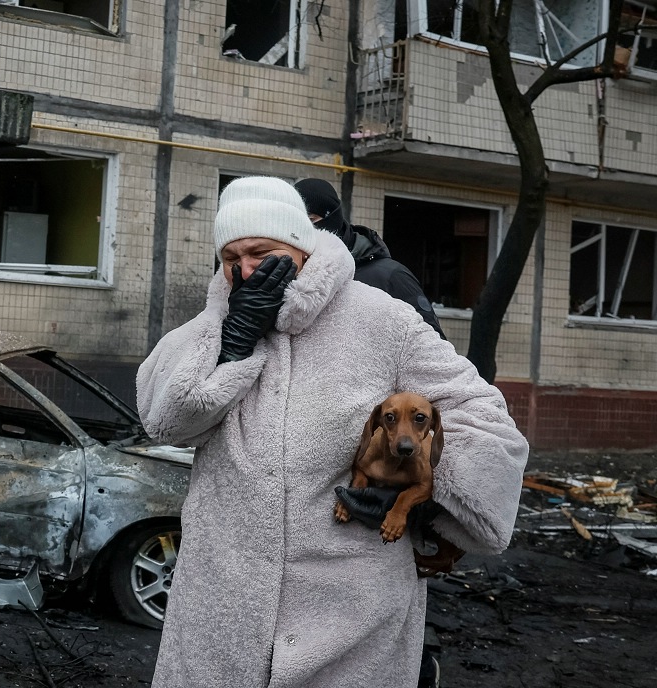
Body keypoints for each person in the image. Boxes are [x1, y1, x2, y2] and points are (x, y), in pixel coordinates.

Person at [136, 176, 528, 688]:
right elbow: (165, 421)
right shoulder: (210, 327)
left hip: (352, 608)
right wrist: (233, 345)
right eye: (231, 258)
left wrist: (426, 498)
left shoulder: (384, 321)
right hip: (223, 603)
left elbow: (484, 417)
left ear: (300, 245)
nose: (246, 269)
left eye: (261, 251)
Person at [295, 178, 448, 687]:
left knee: (389, 602)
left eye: (309, 223)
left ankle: (418, 671)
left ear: (326, 220)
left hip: (395, 455)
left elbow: (435, 371)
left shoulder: (388, 278)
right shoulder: (291, 278)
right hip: (333, 474)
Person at [294, 178, 445, 338]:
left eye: (310, 220)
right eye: (296, 223)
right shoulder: (293, 274)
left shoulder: (391, 276)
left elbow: (432, 345)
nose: (304, 230)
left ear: (333, 218)